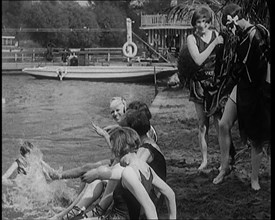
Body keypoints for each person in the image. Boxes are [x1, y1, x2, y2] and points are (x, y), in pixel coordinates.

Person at [213, 3, 270, 190]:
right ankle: (225, 166)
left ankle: (254, 178)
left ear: (237, 20)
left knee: (256, 137)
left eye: (230, 25)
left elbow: (262, 65)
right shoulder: (238, 37)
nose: (230, 29)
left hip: (258, 90)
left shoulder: (258, 34)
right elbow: (234, 66)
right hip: (242, 86)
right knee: (223, 124)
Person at [82, 126, 176, 219]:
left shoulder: (128, 173)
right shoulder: (146, 168)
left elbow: (149, 207)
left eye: (113, 150)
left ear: (118, 151)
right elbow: (170, 193)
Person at [186, 5, 227, 170]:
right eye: (198, 21)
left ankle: (224, 160)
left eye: (204, 21)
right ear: (194, 23)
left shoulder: (216, 34)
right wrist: (215, 43)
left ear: (209, 22)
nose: (202, 25)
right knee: (203, 124)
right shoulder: (191, 39)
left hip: (215, 84)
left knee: (219, 123)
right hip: (199, 85)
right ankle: (204, 160)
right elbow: (198, 60)